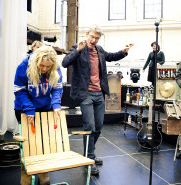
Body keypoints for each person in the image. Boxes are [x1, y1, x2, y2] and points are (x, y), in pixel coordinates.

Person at [62, 25, 133, 175]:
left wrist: (124, 51)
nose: (94, 40)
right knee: (89, 126)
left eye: (97, 38)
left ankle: (89, 153)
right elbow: (65, 62)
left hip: (99, 93)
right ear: (87, 34)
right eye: (92, 37)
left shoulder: (99, 49)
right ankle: (90, 159)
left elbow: (111, 56)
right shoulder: (77, 47)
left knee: (99, 126)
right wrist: (78, 50)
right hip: (85, 94)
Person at [14, 46, 63, 185]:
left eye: (48, 66)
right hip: (24, 108)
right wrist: (29, 108)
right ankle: (26, 174)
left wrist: (56, 105)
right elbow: (19, 90)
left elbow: (57, 88)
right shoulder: (23, 66)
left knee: (43, 141)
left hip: (44, 107)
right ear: (36, 61)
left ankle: (43, 172)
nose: (44, 69)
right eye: (41, 65)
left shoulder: (55, 68)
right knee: (28, 142)